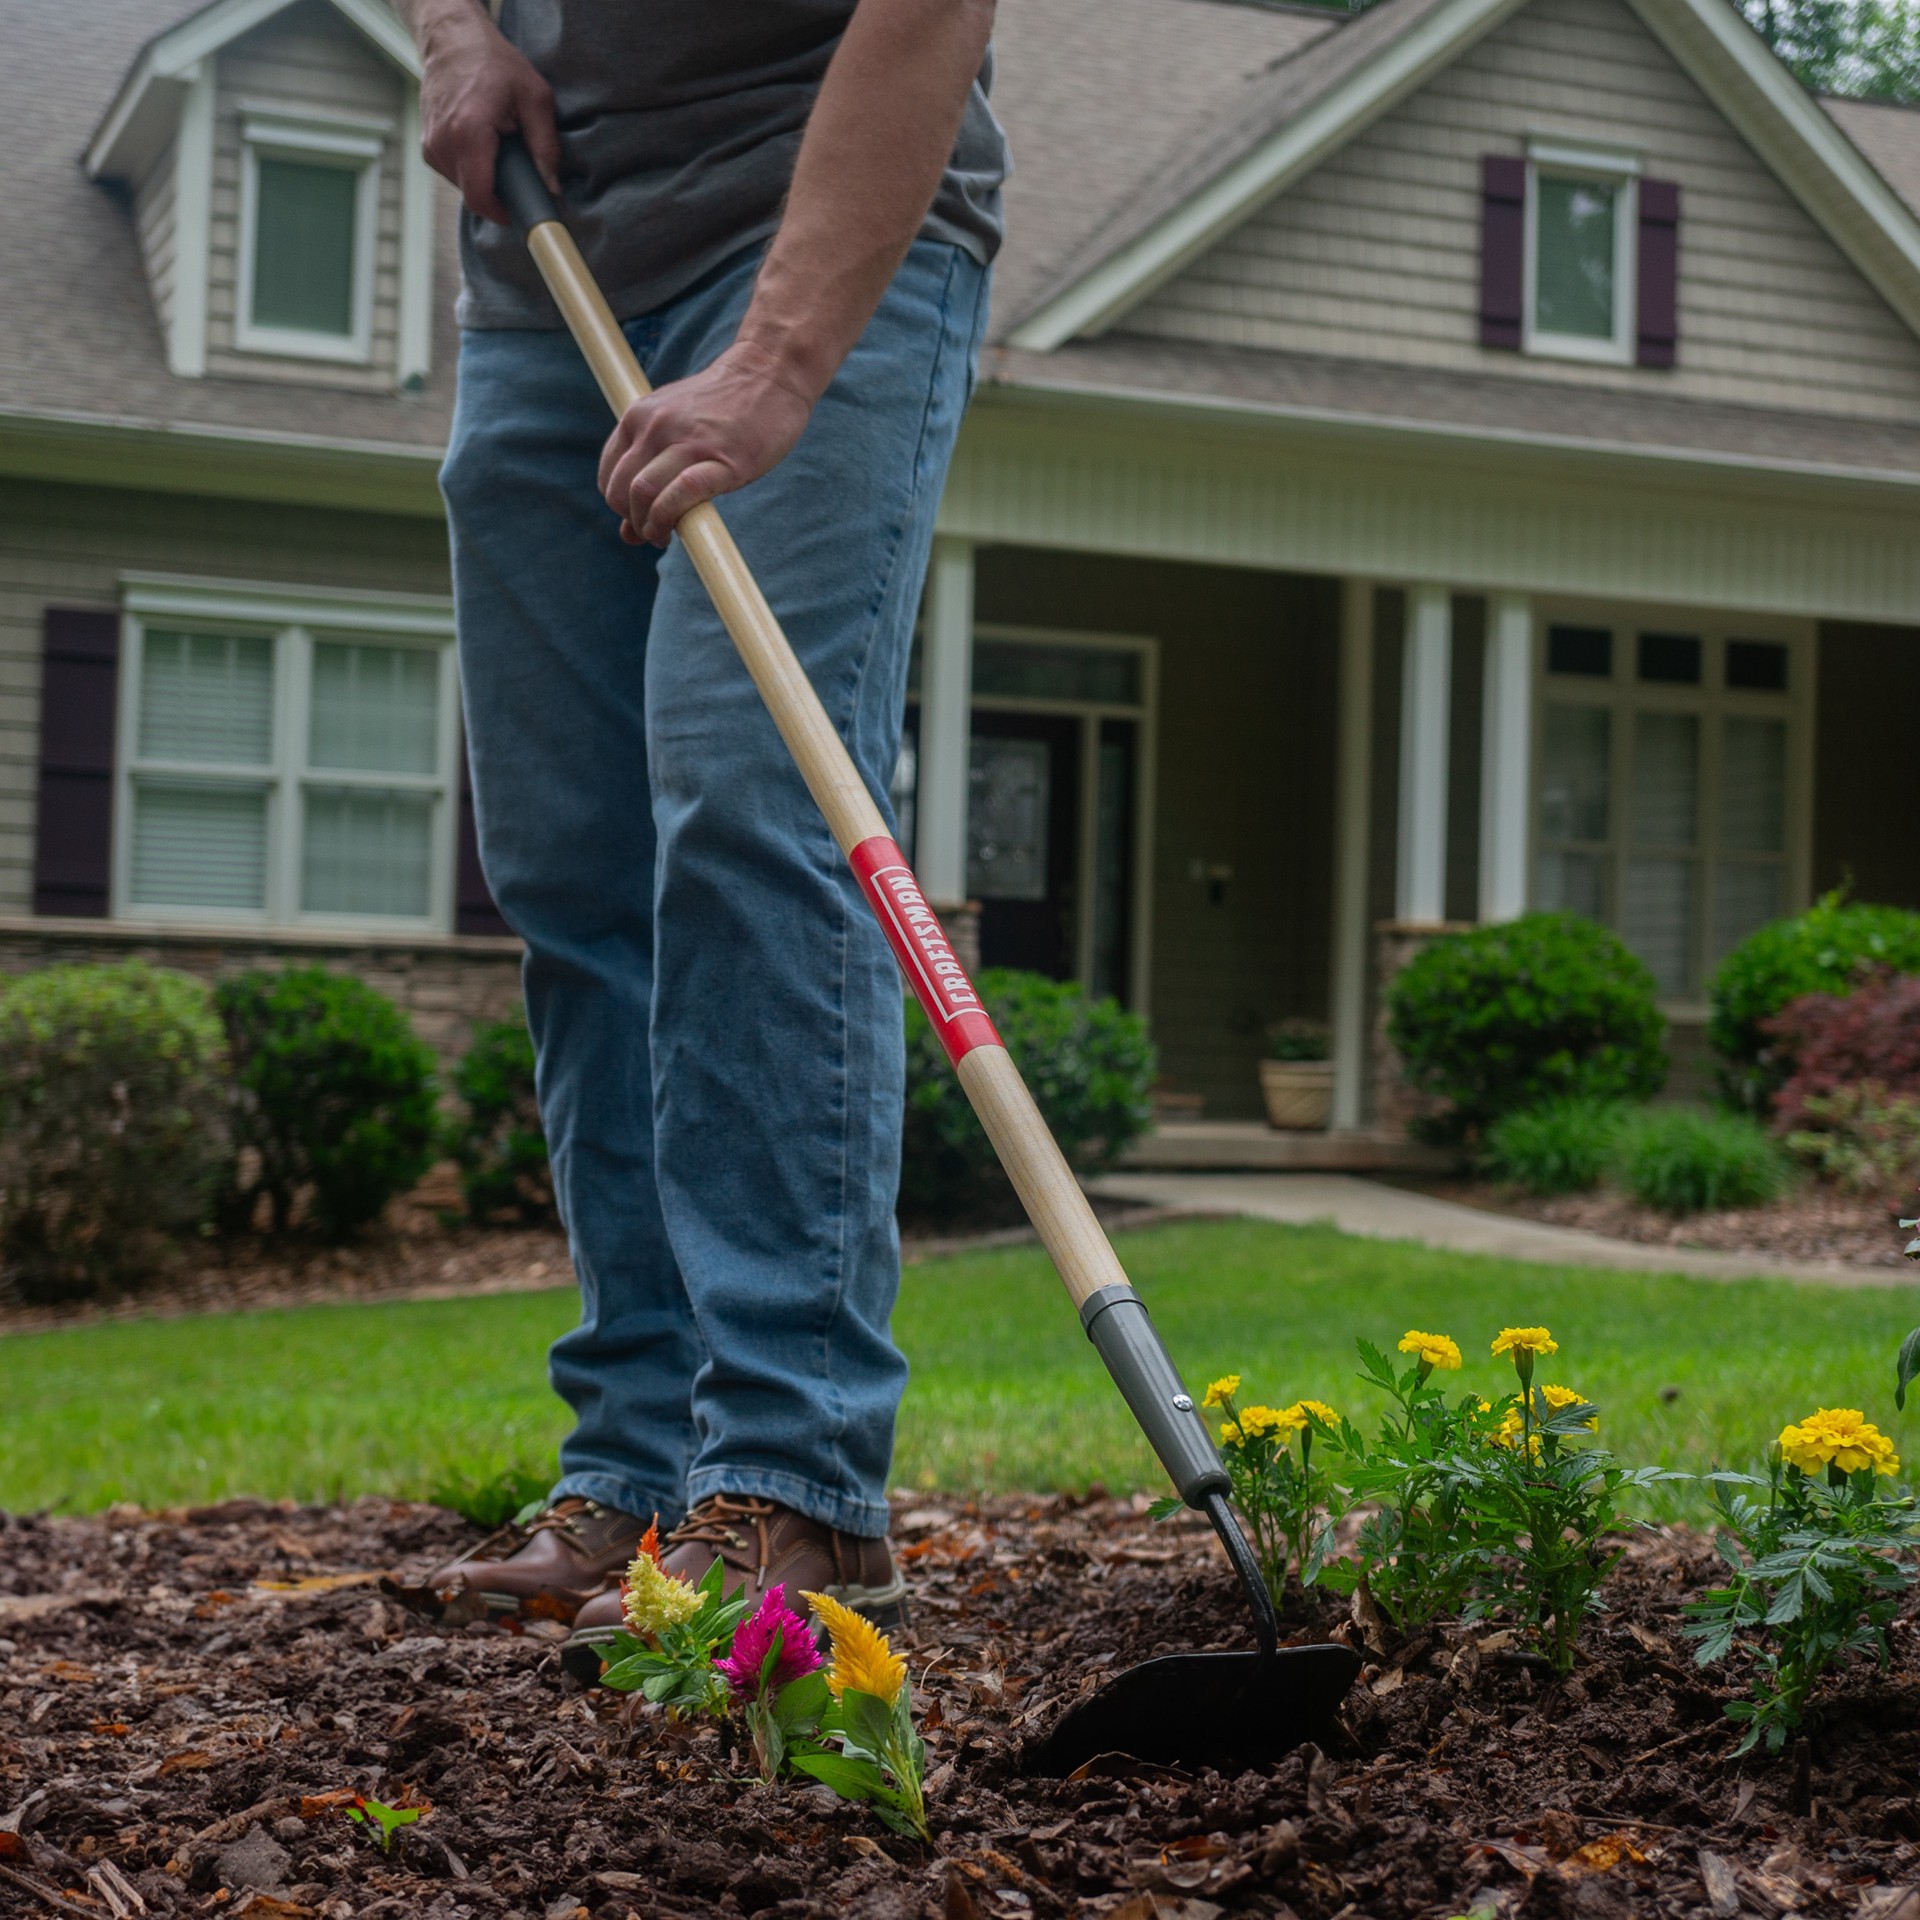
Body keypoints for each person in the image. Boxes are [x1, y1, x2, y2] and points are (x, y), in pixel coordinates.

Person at [397, 0, 1007, 1650]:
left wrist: (775, 366)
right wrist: (454, 33)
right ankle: (644, 1466)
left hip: (803, 233)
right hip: (553, 257)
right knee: (571, 876)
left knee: (752, 805)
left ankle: (799, 1481)